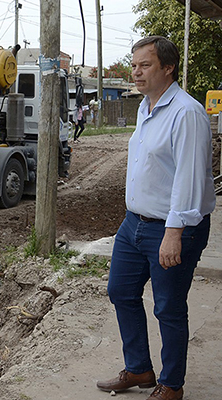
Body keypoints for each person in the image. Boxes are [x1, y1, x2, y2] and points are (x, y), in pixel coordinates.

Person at [96, 36, 215, 400]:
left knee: (168, 307)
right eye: (133, 65)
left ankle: (172, 385)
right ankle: (139, 369)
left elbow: (189, 179)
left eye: (144, 65)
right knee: (120, 291)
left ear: (168, 67)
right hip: (135, 223)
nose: (135, 72)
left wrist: (174, 232)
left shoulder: (186, 112)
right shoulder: (145, 107)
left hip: (172, 227)